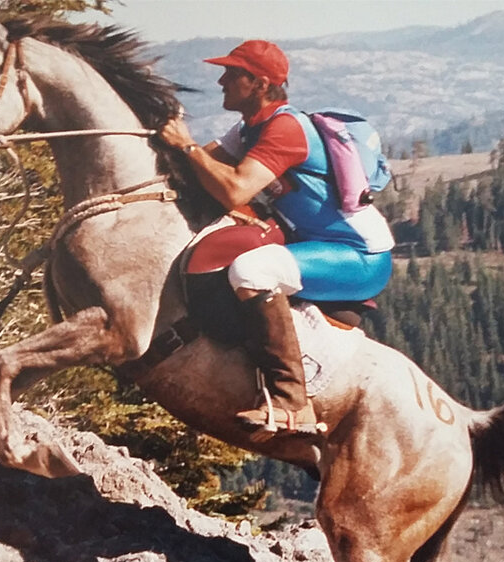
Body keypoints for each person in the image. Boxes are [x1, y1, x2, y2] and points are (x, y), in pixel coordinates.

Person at [159, 39, 394, 440]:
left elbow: (234, 189)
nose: (221, 80)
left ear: (261, 84)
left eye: (233, 74)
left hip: (358, 255)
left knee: (252, 269)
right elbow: (206, 164)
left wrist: (186, 144)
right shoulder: (250, 127)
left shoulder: (285, 128)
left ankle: (292, 402)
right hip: (319, 243)